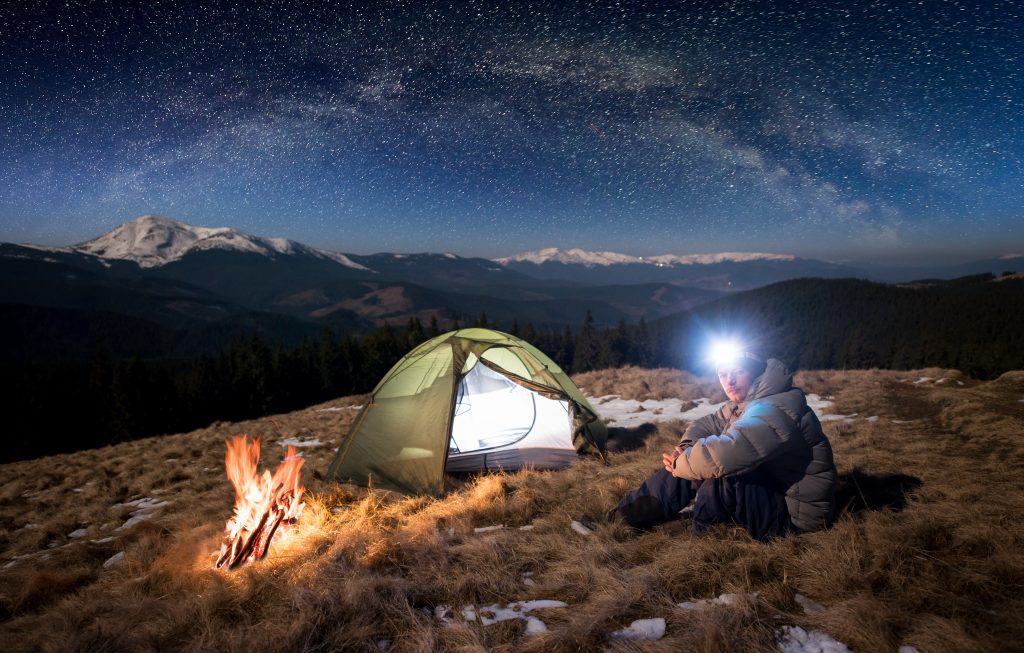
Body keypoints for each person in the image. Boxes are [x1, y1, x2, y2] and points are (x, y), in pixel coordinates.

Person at [608, 349, 837, 541]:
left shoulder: (776, 407)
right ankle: (622, 517)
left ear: (755, 370)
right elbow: (708, 423)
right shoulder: (745, 402)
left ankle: (707, 543)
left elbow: (727, 455)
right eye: (723, 374)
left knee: (721, 471)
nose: (730, 380)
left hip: (794, 519)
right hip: (769, 492)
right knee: (695, 459)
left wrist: (683, 462)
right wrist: (686, 447)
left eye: (738, 371)